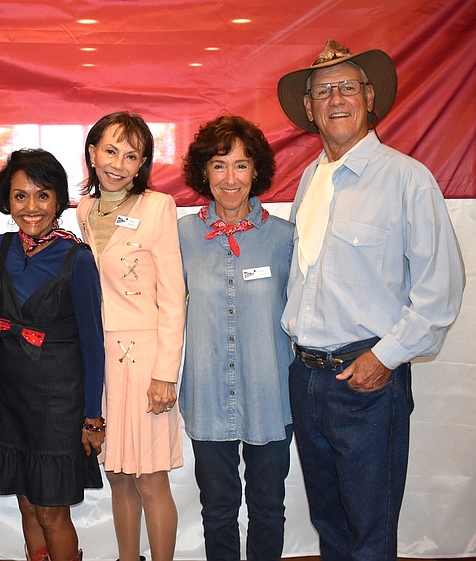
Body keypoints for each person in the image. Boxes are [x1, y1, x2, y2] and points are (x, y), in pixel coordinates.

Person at [277, 39, 465, 560]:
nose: (336, 99)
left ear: (370, 96)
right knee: (329, 522)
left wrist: (383, 359)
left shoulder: (408, 180)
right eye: (323, 91)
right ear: (310, 109)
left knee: (370, 528)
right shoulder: (312, 179)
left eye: (347, 87)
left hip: (365, 379)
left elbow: (440, 289)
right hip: (307, 376)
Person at [0, 149, 105, 561]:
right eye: (20, 196)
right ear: (6, 200)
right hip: (12, 398)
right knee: (27, 503)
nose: (31, 207)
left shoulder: (78, 258)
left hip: (58, 403)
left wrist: (92, 417)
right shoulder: (2, 247)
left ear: (59, 200)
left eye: (42, 195)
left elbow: (93, 342)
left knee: (51, 511)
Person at [178, 115, 293, 560]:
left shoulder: (283, 238)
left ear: (256, 171)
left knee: (268, 507)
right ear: (204, 171)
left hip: (270, 394)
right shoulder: (183, 234)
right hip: (208, 393)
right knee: (218, 509)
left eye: (241, 165)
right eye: (220, 165)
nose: (231, 178)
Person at [76, 112, 185, 561]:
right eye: (110, 150)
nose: (118, 163)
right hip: (99, 361)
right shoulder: (82, 211)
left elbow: (174, 296)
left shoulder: (157, 207)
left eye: (131, 155)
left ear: (142, 163)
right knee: (118, 474)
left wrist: (165, 374)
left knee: (149, 477)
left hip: (145, 360)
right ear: (92, 153)